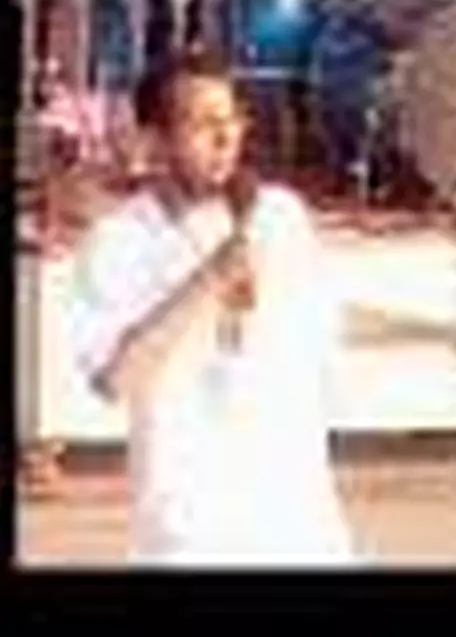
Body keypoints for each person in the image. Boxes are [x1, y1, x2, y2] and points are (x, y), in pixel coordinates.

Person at [65, 48, 357, 567]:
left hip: (301, 526)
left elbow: (318, 344)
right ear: (154, 140)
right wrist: (207, 280)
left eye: (232, 120)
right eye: (203, 125)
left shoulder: (279, 216)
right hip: (190, 530)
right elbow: (115, 380)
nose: (226, 138)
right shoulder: (121, 240)